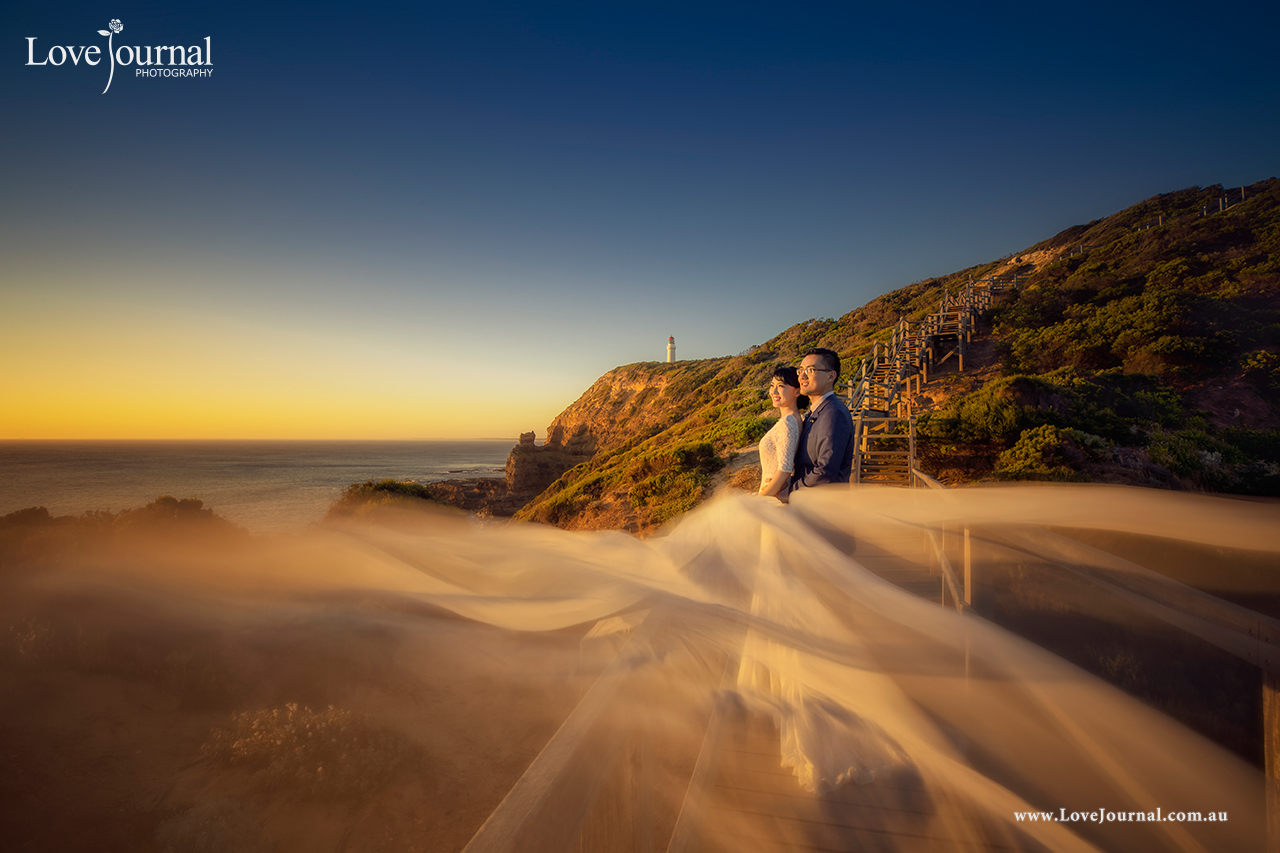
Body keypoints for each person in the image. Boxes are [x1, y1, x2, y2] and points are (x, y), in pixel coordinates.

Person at [791, 347, 854, 490]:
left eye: (810, 370)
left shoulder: (833, 412)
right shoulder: (815, 412)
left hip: (821, 504)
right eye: (801, 370)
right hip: (806, 499)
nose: (802, 376)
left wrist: (787, 492)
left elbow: (825, 472)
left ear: (831, 376)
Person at [757, 367, 808, 502]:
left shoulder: (788, 421)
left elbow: (784, 470)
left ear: (797, 391)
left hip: (772, 495)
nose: (774, 391)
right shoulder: (796, 418)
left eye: (781, 386)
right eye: (772, 385)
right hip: (773, 492)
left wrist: (759, 500)